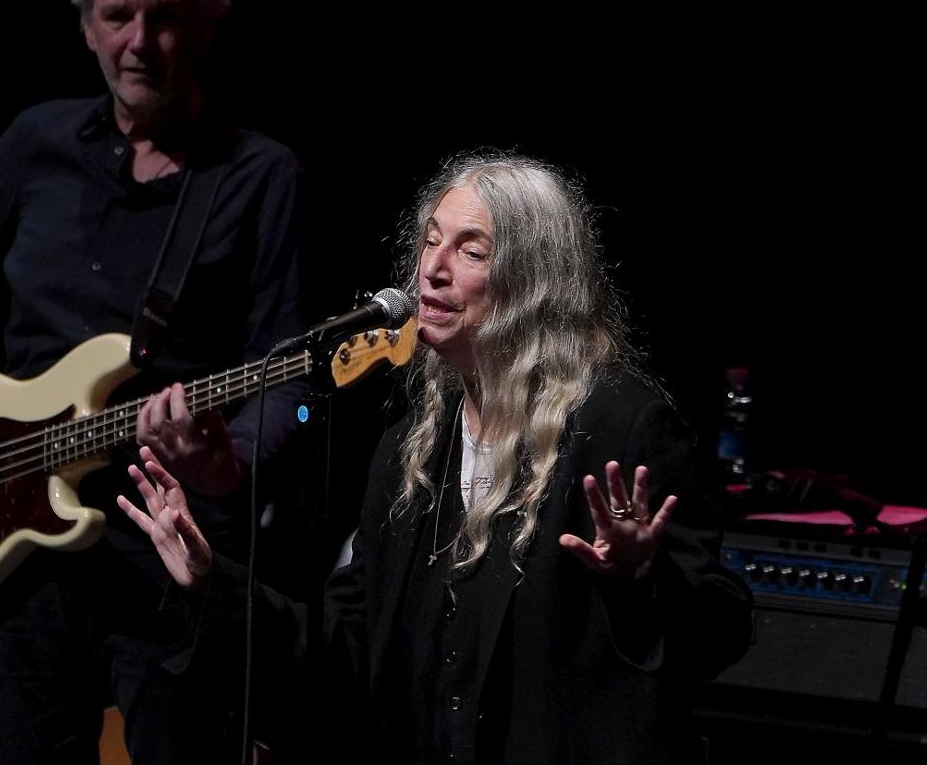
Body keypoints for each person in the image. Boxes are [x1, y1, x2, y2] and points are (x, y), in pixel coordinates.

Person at [118, 152, 754, 764]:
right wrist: (213, 580)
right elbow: (348, 650)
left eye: (471, 251)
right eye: (430, 242)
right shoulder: (412, 452)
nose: (433, 269)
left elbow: (722, 629)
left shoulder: (619, 426)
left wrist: (641, 578)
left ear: (534, 281)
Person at [0, 0, 308, 761]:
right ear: (83, 27)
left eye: (166, 16)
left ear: (209, 22)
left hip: (169, 552)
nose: (140, 42)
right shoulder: (36, 139)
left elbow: (287, 374)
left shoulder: (258, 173)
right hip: (13, 546)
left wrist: (227, 461)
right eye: (117, 15)